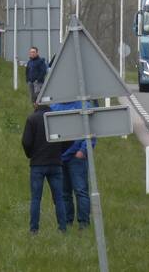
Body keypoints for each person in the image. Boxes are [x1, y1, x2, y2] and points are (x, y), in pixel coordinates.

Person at [22, 102, 69, 233]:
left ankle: (34, 230)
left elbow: (26, 141)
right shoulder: (55, 118)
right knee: (59, 198)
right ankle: (63, 228)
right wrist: (60, 152)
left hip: (37, 164)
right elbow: (68, 139)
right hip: (55, 163)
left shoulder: (32, 119)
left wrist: (31, 154)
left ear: (35, 103)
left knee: (36, 199)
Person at [50, 100, 95, 229]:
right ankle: (67, 221)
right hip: (59, 158)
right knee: (64, 193)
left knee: (80, 191)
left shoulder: (84, 106)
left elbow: (91, 132)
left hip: (77, 157)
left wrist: (83, 150)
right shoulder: (53, 107)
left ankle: (83, 223)